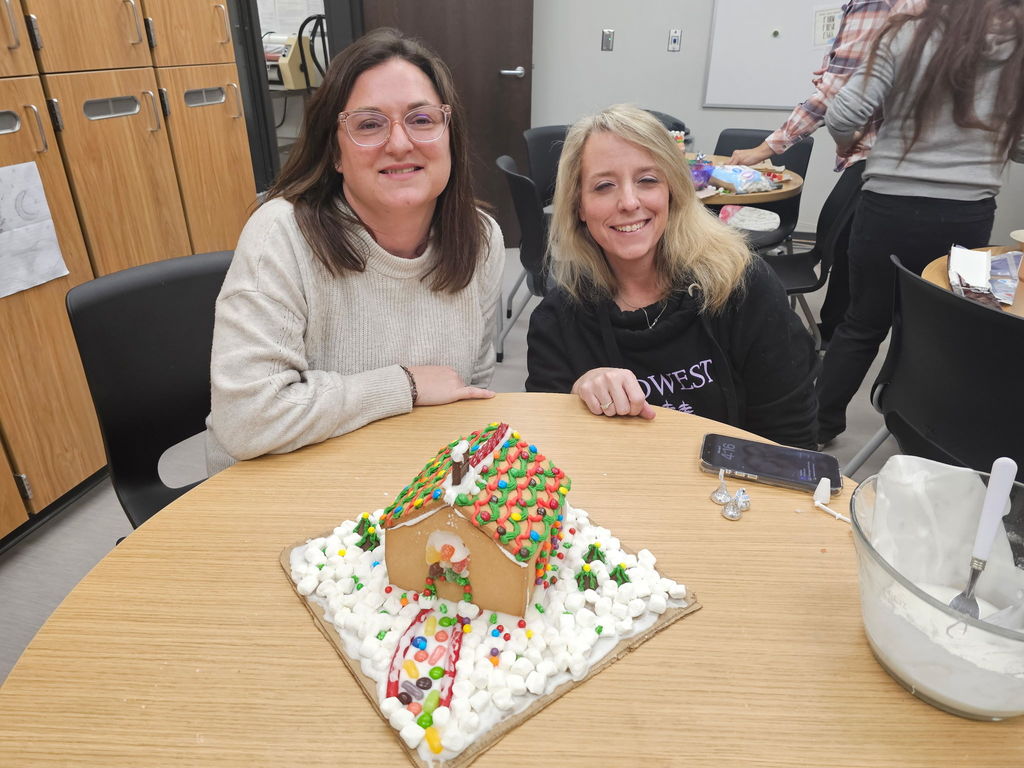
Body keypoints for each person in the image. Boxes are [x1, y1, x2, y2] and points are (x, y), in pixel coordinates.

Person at [205, 28, 504, 473]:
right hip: (281, 484)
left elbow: (467, 394)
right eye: (369, 124)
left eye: (421, 120)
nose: (400, 143)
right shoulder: (281, 235)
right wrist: (403, 386)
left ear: (450, 138)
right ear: (336, 153)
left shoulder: (479, 239)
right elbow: (246, 420)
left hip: (401, 477)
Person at [526, 105, 819, 449]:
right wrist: (575, 397)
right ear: (579, 205)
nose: (629, 202)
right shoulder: (557, 320)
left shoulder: (741, 285)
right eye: (603, 186)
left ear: (673, 190)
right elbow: (549, 455)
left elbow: (791, 438)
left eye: (647, 180)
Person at [816, 0, 1024, 445]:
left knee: (862, 323)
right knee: (953, 331)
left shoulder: (905, 32)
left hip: (887, 205)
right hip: (968, 217)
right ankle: (928, 434)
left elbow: (842, 116)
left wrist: (854, 143)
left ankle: (815, 427)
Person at [728, 0, 923, 344]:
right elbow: (839, 85)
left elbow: (835, 100)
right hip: (895, 163)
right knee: (855, 274)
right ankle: (831, 341)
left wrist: (766, 148)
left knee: (862, 304)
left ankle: (830, 350)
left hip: (878, 162)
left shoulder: (877, 5)